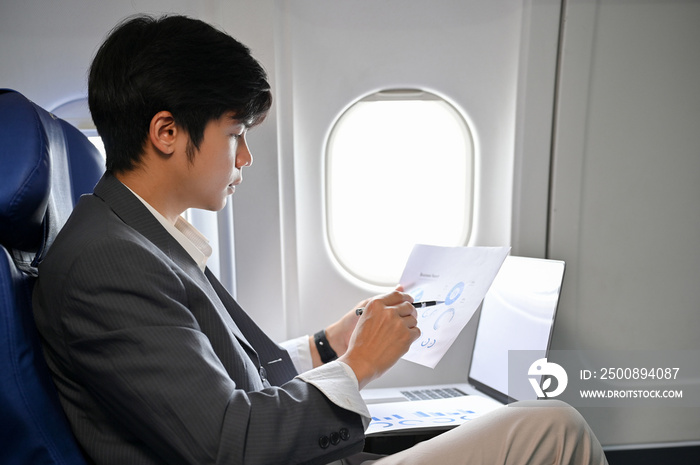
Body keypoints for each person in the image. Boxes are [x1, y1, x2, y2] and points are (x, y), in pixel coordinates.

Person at [32, 14, 608, 465]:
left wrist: (331, 345)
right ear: (166, 131)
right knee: (554, 430)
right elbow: (231, 446)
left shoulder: (141, 237)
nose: (246, 157)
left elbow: (236, 381)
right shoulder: (107, 263)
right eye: (235, 135)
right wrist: (359, 366)